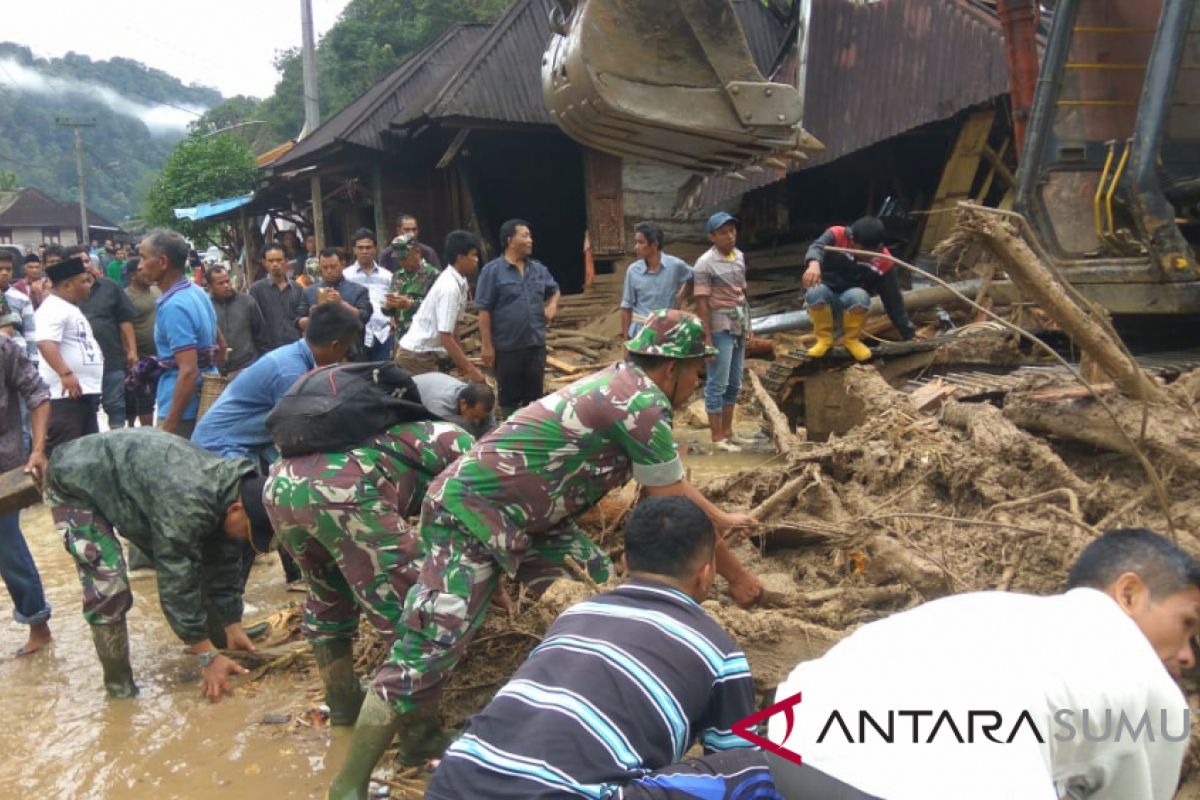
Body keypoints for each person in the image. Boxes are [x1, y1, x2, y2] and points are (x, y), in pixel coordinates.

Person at [327, 310, 765, 798]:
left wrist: (722, 520)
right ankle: (347, 785)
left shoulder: (621, 383)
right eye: (698, 374)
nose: (696, 387)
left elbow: (672, 488)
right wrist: (739, 578)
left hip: (534, 520)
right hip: (474, 513)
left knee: (606, 586)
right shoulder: (641, 403)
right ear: (671, 369)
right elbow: (675, 508)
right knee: (428, 647)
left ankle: (577, 705)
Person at [766, 528, 1200, 800]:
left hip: (793, 745)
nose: (1187, 655)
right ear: (1129, 594)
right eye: (1186, 624)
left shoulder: (997, 610)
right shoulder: (1150, 687)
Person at [427, 495, 766, 800]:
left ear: (626, 564)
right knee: (753, 766)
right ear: (706, 574)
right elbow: (731, 760)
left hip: (452, 783)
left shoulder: (576, 614)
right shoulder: (721, 651)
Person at [263, 419, 474, 728]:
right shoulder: (468, 447)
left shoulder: (395, 433)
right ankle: (419, 735)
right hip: (343, 490)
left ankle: (342, 705)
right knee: (412, 610)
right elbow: (473, 518)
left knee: (327, 595)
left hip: (280, 485)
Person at [43, 428, 275, 701]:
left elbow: (222, 565)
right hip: (75, 482)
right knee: (109, 586)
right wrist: (206, 658)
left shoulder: (230, 493)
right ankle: (119, 688)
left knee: (209, 557)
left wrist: (232, 623)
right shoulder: (188, 505)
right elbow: (176, 582)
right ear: (236, 509)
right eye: (247, 532)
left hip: (130, 481)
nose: (245, 540)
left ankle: (222, 641)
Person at [192, 302, 361, 464]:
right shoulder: (290, 372)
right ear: (335, 346)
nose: (343, 358)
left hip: (242, 441)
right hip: (221, 447)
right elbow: (299, 433)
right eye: (346, 349)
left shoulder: (296, 356)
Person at [0, 305, 53, 656]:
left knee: (7, 548)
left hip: (2, 467)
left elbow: (38, 395)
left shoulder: (5, 350)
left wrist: (38, 451)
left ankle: (37, 623)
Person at [138, 228, 223, 439]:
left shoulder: (174, 306)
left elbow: (188, 371)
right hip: (206, 399)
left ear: (163, 262)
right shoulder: (197, 292)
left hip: (183, 410)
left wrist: (168, 428)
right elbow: (221, 346)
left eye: (143, 257)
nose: (139, 265)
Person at [802, 215, 918, 362]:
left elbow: (893, 299)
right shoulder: (837, 234)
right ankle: (824, 339)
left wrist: (908, 332)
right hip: (824, 297)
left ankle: (851, 340)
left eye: (871, 251)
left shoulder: (884, 261)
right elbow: (816, 247)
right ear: (852, 240)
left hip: (850, 305)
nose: (866, 256)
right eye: (862, 249)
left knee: (860, 295)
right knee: (815, 290)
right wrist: (813, 264)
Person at [476, 219, 560, 417]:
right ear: (509, 240)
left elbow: (554, 290)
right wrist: (487, 345)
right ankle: (511, 437)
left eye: (530, 236)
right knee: (509, 400)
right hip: (507, 348)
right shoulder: (492, 271)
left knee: (535, 399)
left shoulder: (538, 269)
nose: (530, 240)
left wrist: (552, 305)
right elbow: (484, 310)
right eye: (525, 235)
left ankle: (534, 437)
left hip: (535, 345)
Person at [693, 212, 751, 453]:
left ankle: (729, 432)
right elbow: (702, 303)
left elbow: (742, 294)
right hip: (719, 325)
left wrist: (750, 325)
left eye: (732, 230)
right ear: (712, 236)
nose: (730, 236)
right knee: (718, 381)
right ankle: (717, 437)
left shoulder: (739, 256)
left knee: (735, 382)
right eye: (724, 232)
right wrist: (707, 338)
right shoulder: (704, 263)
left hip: (739, 323)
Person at [34, 256, 103, 454]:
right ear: (67, 286)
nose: (89, 285)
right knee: (67, 455)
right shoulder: (53, 308)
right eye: (83, 281)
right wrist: (65, 373)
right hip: (64, 397)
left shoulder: (69, 308)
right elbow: (45, 341)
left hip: (82, 394)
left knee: (88, 455)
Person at [77, 246, 138, 430]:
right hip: (82, 365)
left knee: (116, 406)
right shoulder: (67, 294)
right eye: (79, 263)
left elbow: (125, 319)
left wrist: (132, 350)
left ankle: (117, 449)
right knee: (88, 411)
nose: (84, 266)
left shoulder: (110, 286)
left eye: (87, 261)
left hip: (111, 358)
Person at [385, 234, 449, 374]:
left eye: (405, 257)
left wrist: (410, 304)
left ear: (417, 252)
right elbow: (389, 310)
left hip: (424, 341)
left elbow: (438, 308)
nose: (402, 262)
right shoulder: (398, 275)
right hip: (402, 337)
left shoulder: (434, 275)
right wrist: (388, 306)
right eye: (399, 259)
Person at [620, 221, 694, 338]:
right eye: (636, 242)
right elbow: (626, 307)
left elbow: (693, 277)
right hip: (640, 333)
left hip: (667, 333)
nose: (636, 247)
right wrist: (626, 341)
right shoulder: (633, 271)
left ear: (654, 244)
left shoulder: (675, 266)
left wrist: (680, 298)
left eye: (640, 242)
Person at [295, 247, 373, 339]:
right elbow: (298, 322)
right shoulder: (309, 292)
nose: (329, 271)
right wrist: (314, 317)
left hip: (349, 347)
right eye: (325, 267)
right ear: (319, 267)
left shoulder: (359, 291)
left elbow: (364, 317)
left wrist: (342, 304)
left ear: (343, 264)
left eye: (333, 267)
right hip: (319, 347)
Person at [344, 228, 395, 362]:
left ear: (375, 249)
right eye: (360, 248)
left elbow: (394, 304)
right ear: (354, 250)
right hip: (355, 335)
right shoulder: (346, 276)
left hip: (383, 334)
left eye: (368, 247)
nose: (364, 251)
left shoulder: (388, 276)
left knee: (383, 375)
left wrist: (393, 327)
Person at [208, 265, 268, 376]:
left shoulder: (247, 302)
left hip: (246, 368)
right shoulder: (206, 307)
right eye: (220, 283)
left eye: (227, 281)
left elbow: (261, 336)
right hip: (217, 373)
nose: (226, 286)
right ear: (210, 287)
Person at [123, 257, 159, 427]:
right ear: (133, 275)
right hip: (142, 358)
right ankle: (146, 433)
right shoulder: (126, 297)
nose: (146, 272)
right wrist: (131, 352)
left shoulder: (157, 291)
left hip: (163, 355)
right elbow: (122, 327)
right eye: (140, 270)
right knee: (144, 400)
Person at [249, 243, 305, 352]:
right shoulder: (256, 290)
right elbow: (254, 323)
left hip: (295, 348)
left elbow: (301, 317)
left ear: (286, 261)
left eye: (279, 260)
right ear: (264, 263)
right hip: (268, 351)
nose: (275, 264)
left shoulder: (297, 288)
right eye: (271, 261)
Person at [411, 372, 495, 439]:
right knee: (464, 426)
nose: (477, 421)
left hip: (436, 385)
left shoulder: (481, 404)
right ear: (463, 404)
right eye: (474, 416)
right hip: (408, 399)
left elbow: (491, 433)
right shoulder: (439, 406)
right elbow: (429, 434)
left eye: (480, 418)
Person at [0, 250, 37, 362]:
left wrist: (34, 360)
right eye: (0, 269)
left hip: (18, 357)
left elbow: (30, 332)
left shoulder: (22, 298)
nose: (4, 273)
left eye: (8, 269)